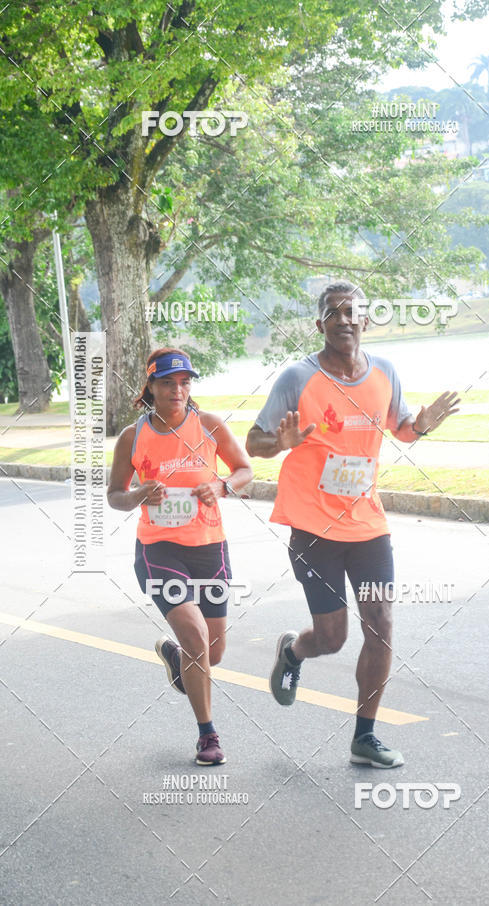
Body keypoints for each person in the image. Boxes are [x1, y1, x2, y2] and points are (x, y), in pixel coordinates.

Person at [245, 281, 459, 768]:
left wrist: (422, 424)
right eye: (332, 312)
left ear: (365, 320)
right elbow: (254, 442)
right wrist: (282, 442)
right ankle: (294, 652)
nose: (343, 319)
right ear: (319, 324)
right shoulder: (297, 378)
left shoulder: (385, 372)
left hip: (367, 524)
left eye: (351, 312)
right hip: (312, 528)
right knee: (332, 638)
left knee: (381, 624)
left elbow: (402, 427)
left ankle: (365, 736)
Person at [107, 347, 252, 765]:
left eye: (185, 382)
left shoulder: (209, 426)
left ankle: (176, 657)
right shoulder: (132, 436)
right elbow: (115, 495)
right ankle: (208, 735)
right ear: (151, 387)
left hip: (210, 547)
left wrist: (221, 486)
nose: (178, 390)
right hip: (159, 549)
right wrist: (138, 494)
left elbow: (245, 470)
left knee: (212, 651)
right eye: (168, 383)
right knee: (195, 636)